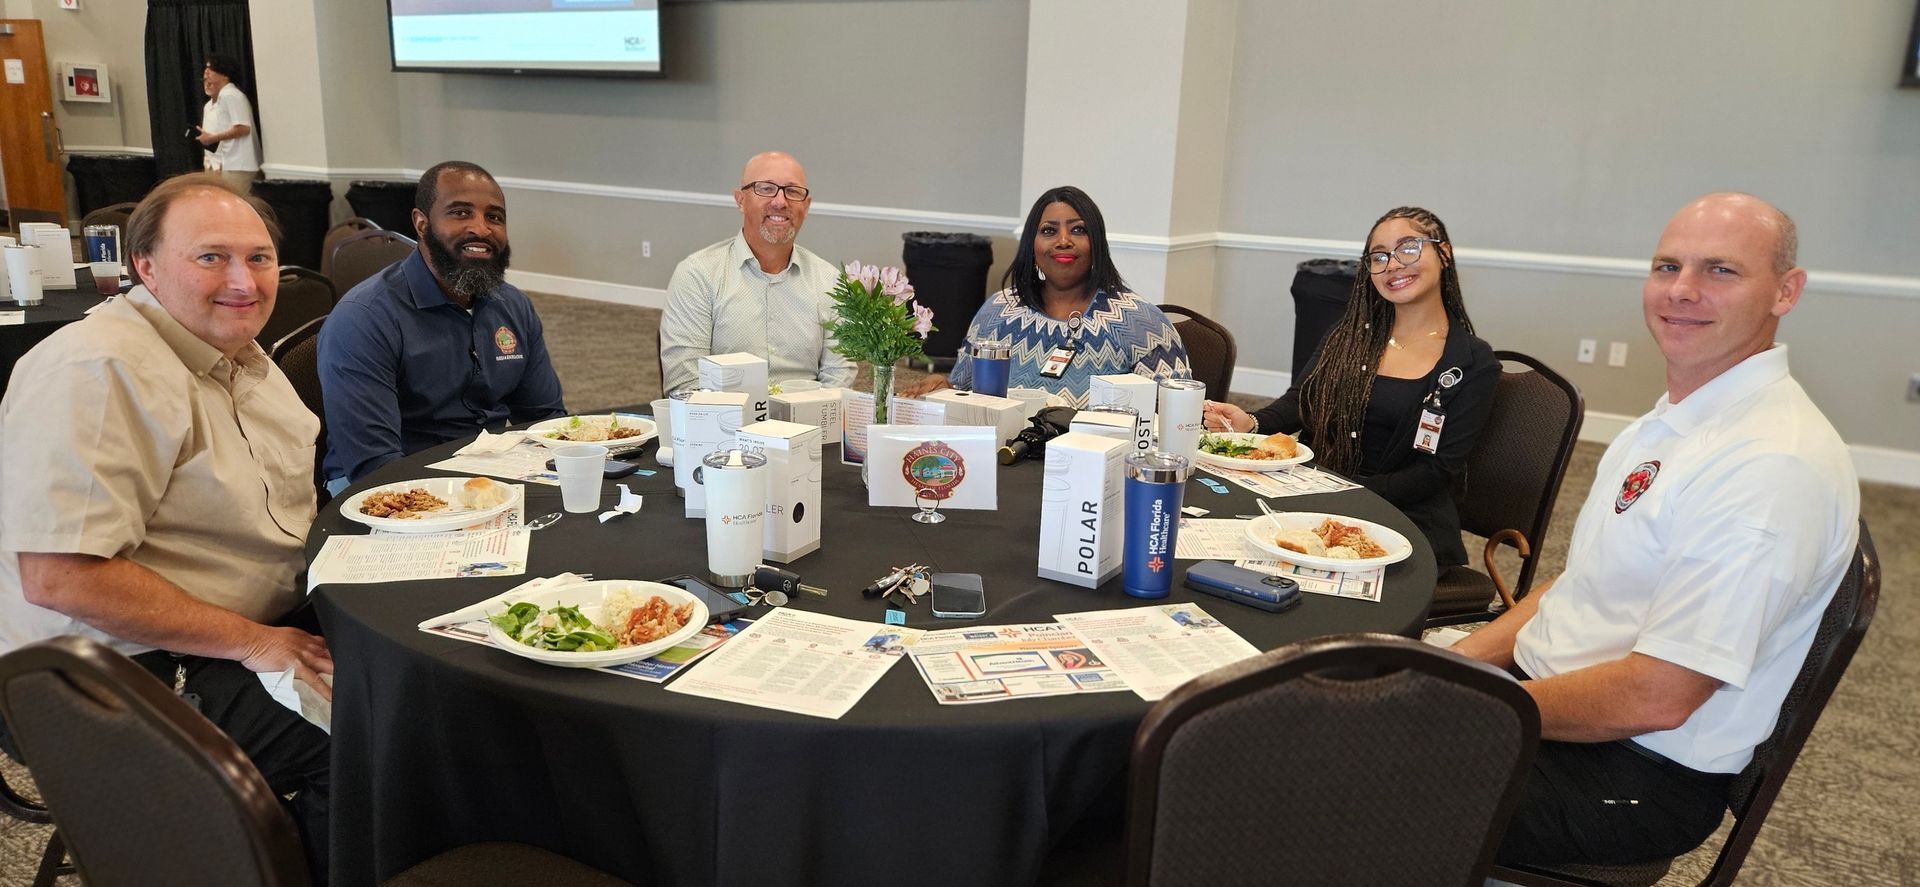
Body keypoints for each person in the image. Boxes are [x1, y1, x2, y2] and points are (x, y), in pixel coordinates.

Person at [1452, 193, 1858, 867]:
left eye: (1721, 271)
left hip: (1631, 773)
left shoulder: (1770, 464)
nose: (1682, 291)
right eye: (1667, 266)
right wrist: (1459, 663)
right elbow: (1580, 585)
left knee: (1326, 776)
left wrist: (1478, 708)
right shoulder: (1678, 416)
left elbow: (1659, 694)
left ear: (1786, 290)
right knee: (1327, 709)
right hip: (1561, 705)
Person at [0, 173, 332, 881]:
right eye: (211, 257)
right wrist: (255, 641)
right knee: (381, 734)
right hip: (117, 673)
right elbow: (62, 574)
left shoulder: (235, 351)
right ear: (143, 266)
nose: (244, 281)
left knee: (426, 673)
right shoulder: (97, 369)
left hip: (231, 631)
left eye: (260, 257)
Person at [1200, 207, 1496, 566]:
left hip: (1404, 523)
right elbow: (1301, 400)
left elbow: (1435, 473)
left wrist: (1338, 493)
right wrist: (1251, 423)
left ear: (1443, 253)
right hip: (1320, 502)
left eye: (1408, 248)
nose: (1393, 265)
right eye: (1379, 256)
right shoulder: (1349, 337)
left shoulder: (1471, 362)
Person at [319, 160, 567, 490]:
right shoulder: (365, 318)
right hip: (383, 484)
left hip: (488, 473)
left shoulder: (513, 306)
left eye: (494, 217)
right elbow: (375, 466)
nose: (481, 229)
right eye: (461, 213)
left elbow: (544, 421)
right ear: (421, 224)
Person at [900, 185, 1191, 406]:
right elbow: (963, 392)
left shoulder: (1140, 321)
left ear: (1097, 243)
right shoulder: (998, 311)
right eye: (1049, 230)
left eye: (1078, 230)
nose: (1063, 241)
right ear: (1033, 245)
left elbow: (1175, 418)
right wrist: (944, 386)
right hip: (1001, 464)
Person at [659, 151, 856, 394]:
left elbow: (839, 376)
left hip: (809, 424)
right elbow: (686, 384)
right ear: (740, 200)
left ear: (806, 206)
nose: (780, 202)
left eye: (793, 191)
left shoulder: (829, 280)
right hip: (724, 424)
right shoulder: (697, 275)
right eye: (765, 189)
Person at [196, 54, 260, 192]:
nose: (206, 75)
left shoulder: (230, 94)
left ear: (225, 75)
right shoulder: (213, 103)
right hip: (224, 164)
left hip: (238, 164)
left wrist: (212, 138)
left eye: (211, 70)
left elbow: (243, 128)